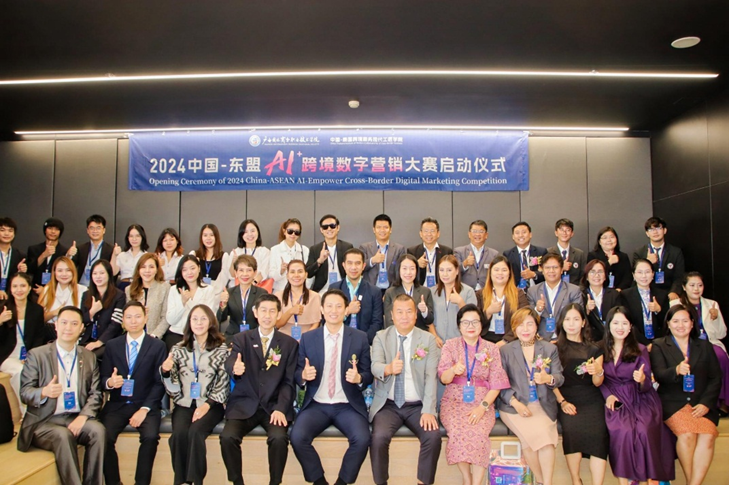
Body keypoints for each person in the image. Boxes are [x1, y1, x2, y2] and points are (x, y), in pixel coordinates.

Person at [290, 289, 373, 485]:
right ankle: (319, 481)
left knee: (362, 439)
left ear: (346, 310)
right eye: (329, 306)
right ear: (321, 309)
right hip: (316, 404)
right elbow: (297, 372)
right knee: (297, 437)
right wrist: (303, 376)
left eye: (338, 306)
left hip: (347, 405)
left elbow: (368, 374)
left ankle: (342, 482)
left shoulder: (359, 337)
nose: (333, 311)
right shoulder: (308, 338)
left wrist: (359, 378)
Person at [18, 306, 105, 485]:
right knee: (63, 435)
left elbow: (96, 393)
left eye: (74, 324)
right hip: (44, 421)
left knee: (98, 430)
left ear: (81, 328)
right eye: (64, 322)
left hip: (75, 417)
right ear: (56, 325)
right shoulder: (37, 355)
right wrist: (44, 392)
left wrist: (83, 416)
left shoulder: (89, 357)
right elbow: (25, 393)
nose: (68, 328)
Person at [220, 294, 298, 485]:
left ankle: (275, 482)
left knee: (279, 439)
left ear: (278, 314)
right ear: (255, 312)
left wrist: (281, 408)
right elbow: (231, 361)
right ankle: (237, 481)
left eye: (272, 311)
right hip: (244, 404)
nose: (267, 315)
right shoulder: (241, 339)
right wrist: (234, 368)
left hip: (273, 406)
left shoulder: (288, 344)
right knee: (228, 437)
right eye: (263, 310)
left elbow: (289, 382)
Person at [370, 294, 441, 485]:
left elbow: (431, 377)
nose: (404, 316)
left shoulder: (427, 339)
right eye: (399, 312)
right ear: (391, 315)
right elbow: (375, 366)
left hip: (417, 405)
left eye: (409, 311)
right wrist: (388, 368)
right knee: (378, 438)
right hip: (388, 405)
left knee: (433, 437)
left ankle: (423, 482)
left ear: (416, 314)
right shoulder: (381, 337)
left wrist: (428, 410)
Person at [600, 306, 674, 484]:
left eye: (624, 323)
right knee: (623, 431)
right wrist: (608, 395)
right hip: (616, 398)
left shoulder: (640, 349)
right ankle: (626, 481)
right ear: (608, 325)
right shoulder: (599, 349)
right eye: (616, 323)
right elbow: (599, 380)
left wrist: (641, 379)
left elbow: (647, 382)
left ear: (630, 326)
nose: (620, 327)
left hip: (641, 398)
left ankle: (650, 479)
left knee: (644, 430)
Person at [438, 304, 510, 485]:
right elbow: (444, 378)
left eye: (475, 322)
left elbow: (497, 384)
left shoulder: (491, 348)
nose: (470, 326)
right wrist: (453, 370)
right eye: (466, 322)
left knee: (479, 435)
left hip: (482, 401)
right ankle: (466, 477)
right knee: (457, 433)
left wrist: (482, 408)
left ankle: (476, 483)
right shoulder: (450, 345)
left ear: (481, 324)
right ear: (459, 326)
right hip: (453, 401)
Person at [651, 304, 721, 485]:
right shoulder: (659, 345)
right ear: (668, 323)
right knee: (687, 434)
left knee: (708, 435)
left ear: (692, 323)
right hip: (673, 404)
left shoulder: (704, 346)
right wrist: (676, 370)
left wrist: (706, 403)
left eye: (685, 321)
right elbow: (659, 374)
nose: (680, 325)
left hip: (701, 404)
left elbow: (715, 378)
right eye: (675, 321)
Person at [161, 304, 230, 485]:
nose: (199, 323)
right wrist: (166, 372)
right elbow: (172, 388)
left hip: (211, 405)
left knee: (196, 432)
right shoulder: (178, 349)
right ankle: (181, 481)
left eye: (203, 319)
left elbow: (223, 382)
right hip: (184, 404)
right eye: (195, 319)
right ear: (189, 323)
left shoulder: (221, 349)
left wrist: (207, 405)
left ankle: (195, 480)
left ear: (211, 322)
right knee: (178, 435)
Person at [100, 301, 166, 485]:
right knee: (102, 437)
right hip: (117, 404)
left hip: (145, 405)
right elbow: (103, 378)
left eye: (138, 316)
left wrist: (144, 409)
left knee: (150, 437)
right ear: (123, 321)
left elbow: (159, 382)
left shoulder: (157, 346)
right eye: (128, 317)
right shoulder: (112, 345)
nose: (133, 321)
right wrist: (110, 382)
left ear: (145, 318)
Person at [498, 307, 563, 485]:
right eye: (520, 325)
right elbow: (500, 384)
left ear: (536, 326)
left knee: (544, 441)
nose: (525, 329)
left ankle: (544, 483)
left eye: (529, 324)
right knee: (532, 440)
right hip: (513, 406)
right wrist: (515, 403)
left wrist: (548, 378)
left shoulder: (549, 349)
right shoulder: (505, 351)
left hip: (542, 405)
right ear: (514, 328)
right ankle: (543, 482)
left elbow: (559, 377)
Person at [551, 304, 608, 485]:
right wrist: (562, 402)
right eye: (567, 319)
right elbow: (550, 381)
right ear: (562, 322)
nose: (571, 323)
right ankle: (576, 481)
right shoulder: (554, 348)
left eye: (576, 319)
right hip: (565, 397)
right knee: (571, 430)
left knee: (599, 433)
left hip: (591, 398)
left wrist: (598, 371)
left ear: (583, 322)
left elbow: (597, 383)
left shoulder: (594, 349)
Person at [673, 271, 729, 415]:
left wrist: (716, 319)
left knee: (721, 357)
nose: (696, 289)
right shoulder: (676, 304)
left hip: (709, 343)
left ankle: (722, 402)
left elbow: (722, 334)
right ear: (684, 287)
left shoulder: (712, 304)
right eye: (692, 285)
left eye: (700, 285)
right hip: (687, 343)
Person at [0, 273, 46, 410]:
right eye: (15, 286)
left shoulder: (36, 310)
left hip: (28, 356)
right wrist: (0, 321)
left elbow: (39, 337)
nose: (19, 290)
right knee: (21, 372)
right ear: (10, 288)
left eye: (22, 286)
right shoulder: (3, 308)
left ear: (29, 288)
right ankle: (26, 411)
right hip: (7, 356)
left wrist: (30, 357)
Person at [330, 248, 383, 345]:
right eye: (350, 263)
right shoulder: (334, 289)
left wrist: (362, 341)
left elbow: (377, 323)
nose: (353, 267)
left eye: (357, 263)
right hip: (338, 342)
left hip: (366, 343)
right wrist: (347, 311)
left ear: (363, 266)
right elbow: (328, 319)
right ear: (344, 265)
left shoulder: (374, 291)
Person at [165, 255, 218, 351]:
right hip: (177, 334)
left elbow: (211, 317)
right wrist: (183, 303)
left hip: (201, 335)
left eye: (192, 268)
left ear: (199, 268)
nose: (189, 272)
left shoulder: (208, 289)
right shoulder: (174, 290)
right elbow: (171, 320)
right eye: (184, 270)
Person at [527, 252, 582, 340]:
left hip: (566, 338)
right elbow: (528, 319)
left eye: (555, 267)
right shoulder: (533, 291)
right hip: (541, 339)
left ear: (561, 270)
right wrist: (538, 310)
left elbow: (578, 317)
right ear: (542, 270)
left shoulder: (573, 290)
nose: (551, 271)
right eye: (547, 268)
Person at [478, 255, 528, 346]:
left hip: (511, 339)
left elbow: (523, 319)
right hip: (485, 339)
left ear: (509, 273)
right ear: (490, 272)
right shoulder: (480, 294)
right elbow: (475, 321)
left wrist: (506, 340)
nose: (500, 273)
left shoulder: (518, 294)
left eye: (504, 270)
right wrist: (488, 312)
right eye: (496, 270)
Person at [218, 255, 269, 343]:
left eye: (249, 270)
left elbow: (265, 318)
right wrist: (223, 304)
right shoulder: (229, 292)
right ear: (236, 273)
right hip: (233, 338)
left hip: (255, 338)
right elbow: (221, 319)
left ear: (255, 272)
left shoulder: (262, 293)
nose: (245, 274)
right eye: (241, 270)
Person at [619, 258, 669, 346]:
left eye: (647, 272)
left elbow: (667, 323)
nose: (644, 276)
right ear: (633, 275)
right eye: (640, 272)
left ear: (653, 274)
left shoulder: (662, 295)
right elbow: (628, 323)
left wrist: (659, 310)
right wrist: (645, 344)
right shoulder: (625, 295)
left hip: (659, 343)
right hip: (635, 342)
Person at [80, 260, 125, 356]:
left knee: (92, 357)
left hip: (108, 341)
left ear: (109, 274)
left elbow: (116, 323)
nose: (98, 276)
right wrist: (92, 312)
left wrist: (99, 342)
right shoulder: (86, 295)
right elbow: (81, 320)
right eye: (95, 273)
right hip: (87, 339)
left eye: (102, 273)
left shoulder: (119, 296)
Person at [633, 216, 685, 299]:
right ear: (647, 233)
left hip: (669, 293)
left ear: (665, 230)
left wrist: (674, 292)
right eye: (651, 229)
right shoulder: (639, 252)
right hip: (647, 293)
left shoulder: (675, 252)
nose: (655, 232)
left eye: (658, 228)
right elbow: (635, 276)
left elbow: (679, 277)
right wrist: (648, 262)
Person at [430, 254, 477, 346]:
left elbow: (473, 319)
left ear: (457, 271)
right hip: (438, 343)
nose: (445, 274)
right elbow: (428, 319)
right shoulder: (432, 291)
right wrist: (434, 336)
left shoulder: (468, 291)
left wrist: (460, 302)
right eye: (441, 270)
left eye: (449, 270)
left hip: (461, 343)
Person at [125, 252, 171, 339]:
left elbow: (165, 317)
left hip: (156, 337)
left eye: (151, 267)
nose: (147, 271)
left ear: (157, 269)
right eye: (143, 267)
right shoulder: (129, 289)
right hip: (134, 336)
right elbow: (127, 317)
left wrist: (154, 336)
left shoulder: (165, 288)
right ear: (138, 270)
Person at [383, 254, 434, 331]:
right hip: (397, 335)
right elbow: (389, 321)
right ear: (398, 270)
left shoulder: (426, 291)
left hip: (420, 335)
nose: (408, 272)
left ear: (417, 270)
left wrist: (425, 311)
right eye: (404, 268)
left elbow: (430, 320)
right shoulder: (390, 292)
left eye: (412, 269)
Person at [306, 214, 353, 293]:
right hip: (322, 290)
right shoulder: (315, 249)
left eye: (332, 226)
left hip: (343, 289)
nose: (329, 229)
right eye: (325, 227)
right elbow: (308, 273)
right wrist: (319, 261)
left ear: (338, 227)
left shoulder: (347, 247)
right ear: (321, 230)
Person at [275, 259, 321, 339]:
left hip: (307, 339)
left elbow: (316, 324)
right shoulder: (278, 296)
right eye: (292, 272)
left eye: (300, 271)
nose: (296, 275)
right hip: (283, 340)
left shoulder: (315, 296)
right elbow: (277, 324)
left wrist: (303, 340)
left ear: (306, 275)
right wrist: (291, 311)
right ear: (287, 275)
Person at [359, 214, 406, 292]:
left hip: (392, 290)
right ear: (374, 229)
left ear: (390, 230)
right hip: (370, 290)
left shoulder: (399, 249)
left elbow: (401, 271)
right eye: (379, 227)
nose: (382, 230)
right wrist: (372, 260)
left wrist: (391, 292)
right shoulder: (365, 247)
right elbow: (359, 268)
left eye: (385, 227)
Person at [26, 217, 74, 291]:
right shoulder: (34, 249)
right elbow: (30, 270)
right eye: (50, 228)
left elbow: (66, 274)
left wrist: (46, 290)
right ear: (45, 230)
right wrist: (44, 255)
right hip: (35, 289)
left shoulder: (64, 251)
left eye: (56, 229)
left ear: (60, 232)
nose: (53, 232)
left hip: (56, 290)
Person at [39, 256, 87, 325]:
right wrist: (54, 313)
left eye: (68, 270)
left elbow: (86, 318)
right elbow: (38, 319)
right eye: (60, 270)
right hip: (50, 329)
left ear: (73, 271)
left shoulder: (83, 290)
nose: (64, 274)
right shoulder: (47, 290)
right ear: (54, 272)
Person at [580, 259, 621, 341]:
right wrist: (587, 310)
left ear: (605, 276)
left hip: (611, 338)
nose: (596, 275)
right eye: (592, 272)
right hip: (589, 340)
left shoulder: (614, 294)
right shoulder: (581, 295)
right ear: (587, 277)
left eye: (600, 272)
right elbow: (578, 321)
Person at [408, 217, 453, 289]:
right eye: (426, 231)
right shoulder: (412, 251)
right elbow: (407, 272)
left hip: (440, 289)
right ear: (421, 234)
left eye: (432, 231)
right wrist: (416, 264)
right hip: (420, 289)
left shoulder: (447, 251)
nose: (429, 234)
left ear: (438, 233)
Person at [453, 220, 499, 291]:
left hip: (486, 291)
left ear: (486, 235)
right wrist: (464, 264)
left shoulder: (494, 254)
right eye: (474, 231)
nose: (477, 234)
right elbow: (453, 272)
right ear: (469, 234)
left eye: (481, 231)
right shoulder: (459, 251)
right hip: (465, 291)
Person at [269, 218, 310, 293]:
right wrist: (281, 271)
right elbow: (271, 275)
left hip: (300, 291)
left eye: (297, 232)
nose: (293, 234)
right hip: (280, 291)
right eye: (290, 231)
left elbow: (308, 273)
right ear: (284, 231)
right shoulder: (275, 250)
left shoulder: (304, 250)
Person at [71, 214, 114, 287]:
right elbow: (70, 266)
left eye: (98, 228)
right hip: (82, 286)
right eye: (92, 228)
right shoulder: (80, 249)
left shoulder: (111, 249)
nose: (95, 231)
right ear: (87, 230)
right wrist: (69, 255)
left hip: (101, 287)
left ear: (104, 230)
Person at [503, 221, 547, 289]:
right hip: (515, 290)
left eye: (524, 232)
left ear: (530, 234)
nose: (521, 235)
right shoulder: (507, 254)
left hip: (536, 290)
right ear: (513, 237)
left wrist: (534, 274)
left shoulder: (541, 252)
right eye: (517, 233)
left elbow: (548, 272)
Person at [586, 226, 632, 291]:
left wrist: (619, 290)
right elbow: (592, 275)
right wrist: (609, 262)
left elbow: (628, 278)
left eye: (612, 237)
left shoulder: (623, 256)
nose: (609, 240)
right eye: (605, 238)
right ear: (599, 242)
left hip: (620, 292)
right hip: (599, 291)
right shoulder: (593, 255)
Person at [191, 223, 232, 293]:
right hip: (197, 293)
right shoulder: (194, 255)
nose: (208, 238)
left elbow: (223, 279)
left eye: (211, 235)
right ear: (201, 238)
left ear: (216, 237)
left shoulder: (224, 256)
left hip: (216, 294)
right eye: (205, 235)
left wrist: (211, 292)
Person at [229, 219, 271, 287]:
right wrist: (233, 263)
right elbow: (232, 275)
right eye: (245, 232)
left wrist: (251, 285)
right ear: (241, 235)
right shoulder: (236, 252)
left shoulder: (265, 251)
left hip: (257, 288)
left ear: (258, 232)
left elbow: (264, 272)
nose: (250, 234)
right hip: (237, 288)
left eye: (252, 231)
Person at [547, 218, 587, 285]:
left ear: (572, 233)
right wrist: (561, 268)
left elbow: (583, 277)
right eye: (561, 230)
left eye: (568, 230)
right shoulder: (548, 252)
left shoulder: (580, 254)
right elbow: (545, 274)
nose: (564, 233)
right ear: (556, 233)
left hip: (574, 289)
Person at [0, 217, 28, 299]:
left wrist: (21, 272)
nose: (6, 234)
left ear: (14, 234)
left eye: (10, 231)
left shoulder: (20, 255)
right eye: (2, 230)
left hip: (11, 298)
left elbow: (23, 281)